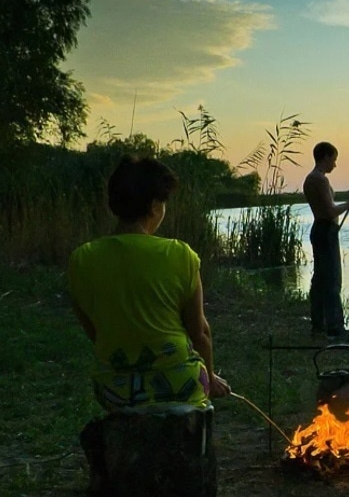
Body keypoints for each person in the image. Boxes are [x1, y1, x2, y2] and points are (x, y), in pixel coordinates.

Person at [68, 155, 231, 411]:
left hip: (114, 390)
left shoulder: (81, 259)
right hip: (178, 386)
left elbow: (95, 331)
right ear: (155, 205)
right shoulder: (180, 254)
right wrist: (210, 377)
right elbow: (200, 333)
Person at [303, 141, 349, 338]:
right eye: (334, 159)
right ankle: (335, 329)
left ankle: (318, 325)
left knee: (320, 279)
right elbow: (329, 211)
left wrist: (347, 204)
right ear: (326, 157)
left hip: (320, 230)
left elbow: (326, 208)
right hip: (326, 231)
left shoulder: (310, 179)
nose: (335, 165)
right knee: (332, 280)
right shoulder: (319, 180)